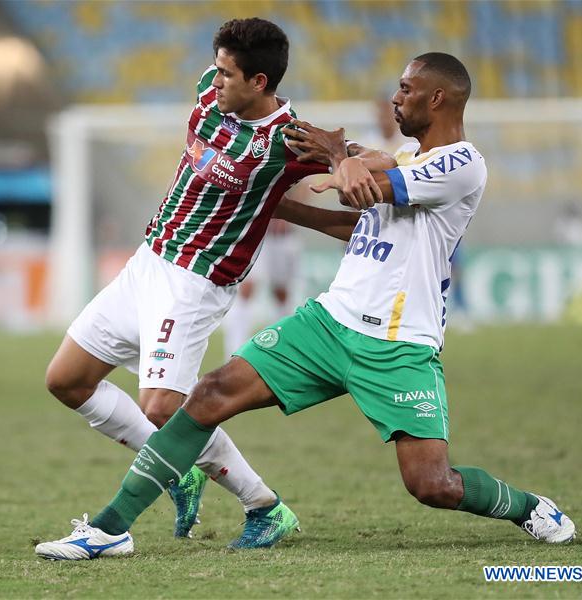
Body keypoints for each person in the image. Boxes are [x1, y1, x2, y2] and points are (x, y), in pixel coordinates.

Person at [35, 52, 575, 560]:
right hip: (329, 324)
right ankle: (109, 530)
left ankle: (530, 507)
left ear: (438, 100)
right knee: (209, 395)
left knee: (431, 484)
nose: (395, 98)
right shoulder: (410, 156)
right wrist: (275, 203)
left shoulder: (462, 165)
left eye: (406, 89)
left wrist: (338, 152)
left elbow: (359, 192)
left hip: (396, 345)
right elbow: (353, 222)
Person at [39, 17, 360, 555]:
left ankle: (264, 506)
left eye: (227, 74)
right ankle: (175, 467)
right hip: (149, 261)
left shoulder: (287, 139)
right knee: (66, 380)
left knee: (164, 406)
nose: (213, 82)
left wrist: (342, 155)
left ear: (259, 81)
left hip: (195, 281)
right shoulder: (211, 95)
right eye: (214, 68)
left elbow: (363, 165)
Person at [221, 218, 301, 361]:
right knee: (247, 287)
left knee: (281, 293)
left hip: (282, 235)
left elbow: (303, 195)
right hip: (257, 229)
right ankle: (234, 352)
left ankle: (281, 349)